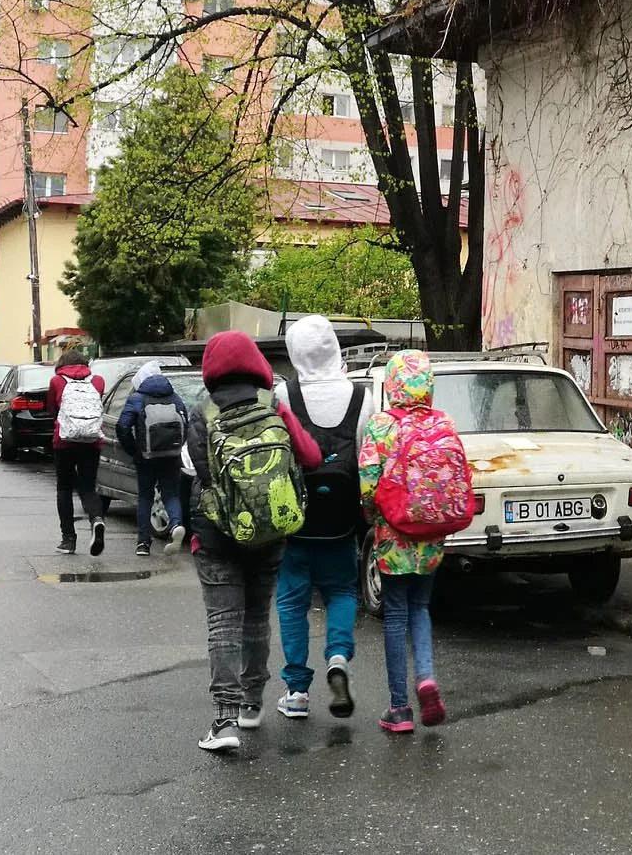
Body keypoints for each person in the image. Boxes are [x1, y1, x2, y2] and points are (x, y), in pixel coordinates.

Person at [184, 331, 322, 752]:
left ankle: (223, 722)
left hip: (216, 533)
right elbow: (312, 457)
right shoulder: (274, 404)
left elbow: (197, 472)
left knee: (222, 622)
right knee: (257, 617)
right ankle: (251, 705)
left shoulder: (200, 412)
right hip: (269, 528)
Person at [274, 316, 372, 721]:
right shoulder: (362, 397)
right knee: (343, 593)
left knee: (291, 603)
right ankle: (337, 656)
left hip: (296, 520)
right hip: (342, 520)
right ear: (333, 346)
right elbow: (368, 458)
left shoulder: (283, 394)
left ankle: (296, 691)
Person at [357, 349, 456, 734]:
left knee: (395, 613)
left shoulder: (381, 425)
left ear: (392, 384)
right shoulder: (443, 423)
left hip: (394, 532)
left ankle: (399, 708)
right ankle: (427, 678)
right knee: (422, 607)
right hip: (432, 533)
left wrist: (371, 514)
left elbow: (368, 480)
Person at [116, 360, 188, 557]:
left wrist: (134, 450)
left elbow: (122, 427)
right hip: (171, 455)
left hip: (146, 457)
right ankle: (175, 525)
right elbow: (185, 423)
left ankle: (143, 543)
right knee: (171, 494)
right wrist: (178, 447)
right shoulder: (175, 397)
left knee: (145, 497)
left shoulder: (137, 398)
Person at [44, 349, 106, 556]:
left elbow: (51, 410)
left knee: (64, 489)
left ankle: (68, 540)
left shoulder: (56, 381)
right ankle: (97, 519)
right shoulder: (97, 381)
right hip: (91, 441)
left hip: (64, 443)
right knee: (88, 487)